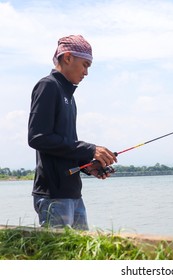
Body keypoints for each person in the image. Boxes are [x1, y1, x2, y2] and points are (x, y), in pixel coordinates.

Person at [28, 35, 117, 230]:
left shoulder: (69, 95)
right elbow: (38, 137)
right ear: (67, 58)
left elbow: (64, 145)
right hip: (53, 195)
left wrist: (86, 166)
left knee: (79, 258)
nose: (86, 72)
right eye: (85, 65)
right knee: (60, 259)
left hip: (73, 194)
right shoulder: (48, 86)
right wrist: (89, 149)